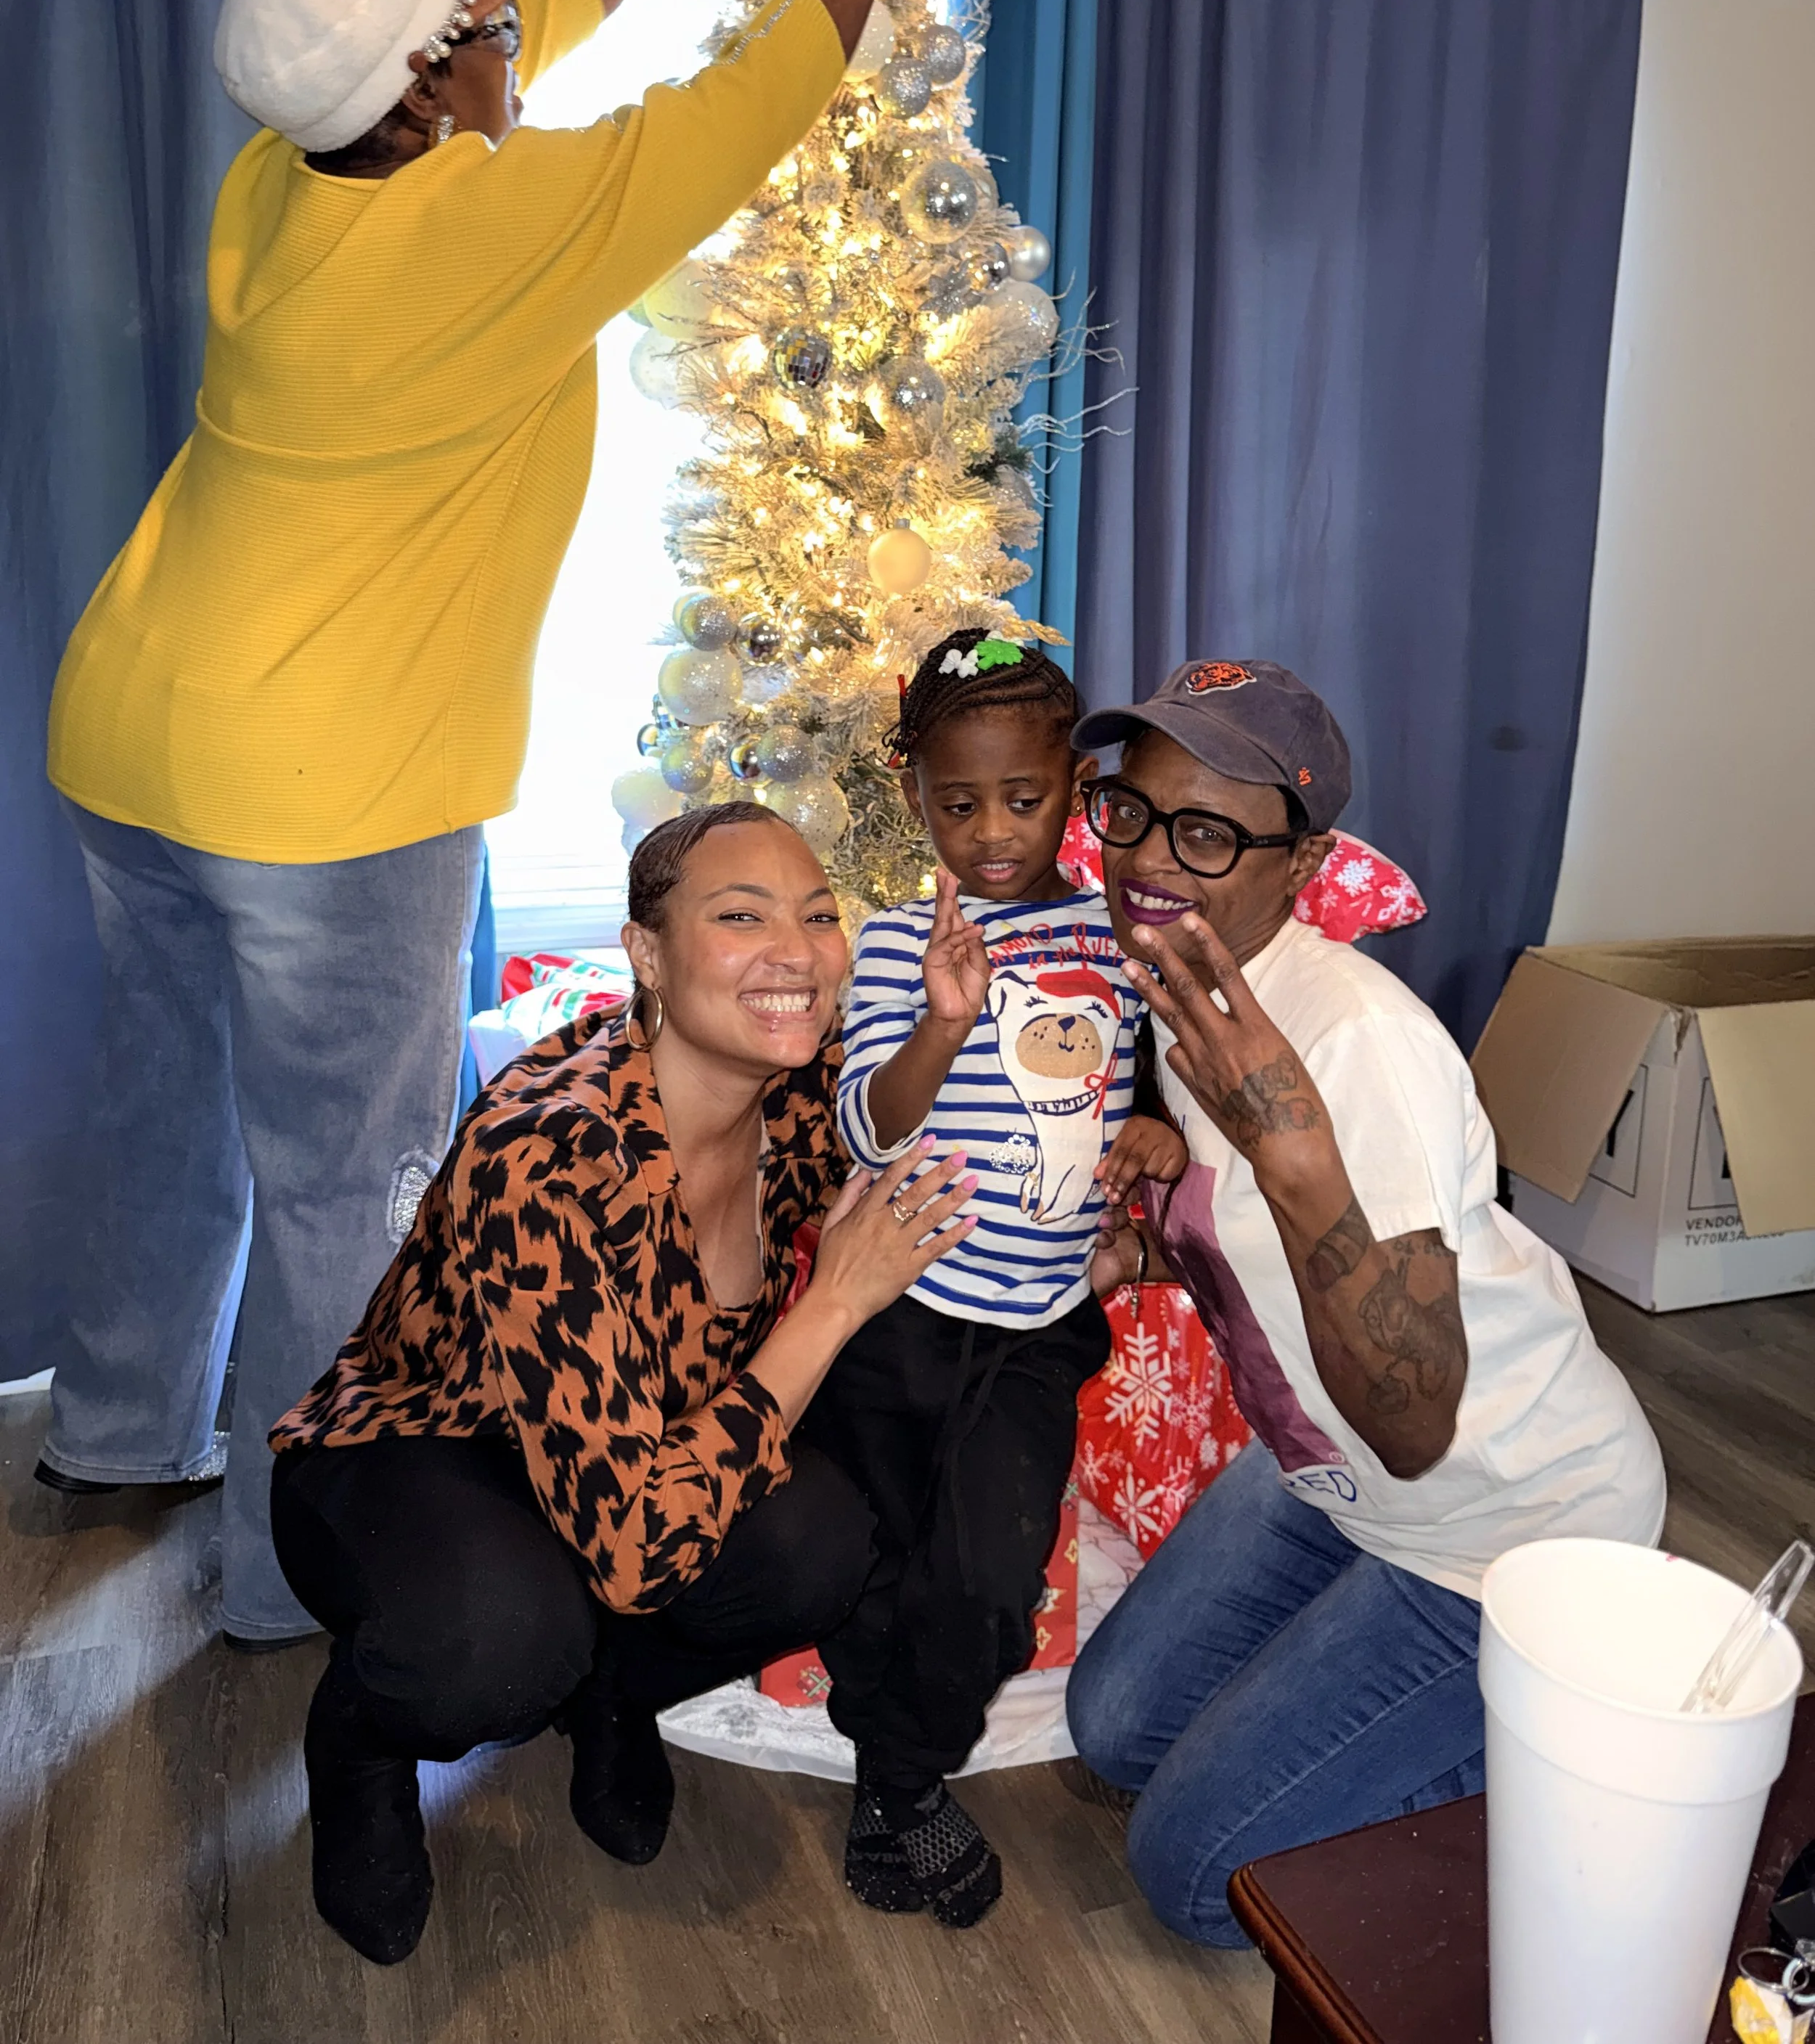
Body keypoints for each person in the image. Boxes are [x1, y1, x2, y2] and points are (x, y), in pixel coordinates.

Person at [38, 0, 944, 1644]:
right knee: (344, 1191)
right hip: (324, 796)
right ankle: (299, 1579)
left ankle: (122, 1430)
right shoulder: (503, 226)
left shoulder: (288, 174)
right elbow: (767, 87)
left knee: (160, 1101)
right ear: (443, 65)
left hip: (132, 736)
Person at [266, 801, 980, 1965]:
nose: (796, 953)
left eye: (817, 917)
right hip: (429, 1445)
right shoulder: (549, 1152)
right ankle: (360, 1740)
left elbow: (873, 1131)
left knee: (822, 1544)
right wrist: (836, 1302)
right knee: (499, 1644)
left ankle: (611, 1693)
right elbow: (639, 1548)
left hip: (629, 1446)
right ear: (647, 952)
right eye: (740, 917)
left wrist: (946, 1037)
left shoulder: (792, 1079)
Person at [1064, 659, 1665, 1947]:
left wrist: (1294, 1156)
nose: (1151, 858)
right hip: (1329, 1478)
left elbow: (1414, 1420)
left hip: (1499, 1522)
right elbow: (1246, 1248)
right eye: (1135, 809)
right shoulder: (1191, 985)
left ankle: (1602, 1745)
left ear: (1303, 862)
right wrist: (1147, 1250)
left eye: (1211, 832)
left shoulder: (1350, 1044)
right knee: (1113, 1730)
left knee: (1196, 1876)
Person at [813, 630, 1186, 1928]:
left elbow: (1145, 1094)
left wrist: (1162, 1133)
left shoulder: (1117, 940)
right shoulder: (892, 946)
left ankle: (904, 1767)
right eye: (957, 804)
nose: (990, 833)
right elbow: (870, 1128)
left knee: (984, 1580)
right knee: (873, 1554)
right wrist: (945, 1022)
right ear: (914, 794)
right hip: (894, 1316)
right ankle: (891, 1778)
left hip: (1036, 1325)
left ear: (1071, 799)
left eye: (1022, 801)